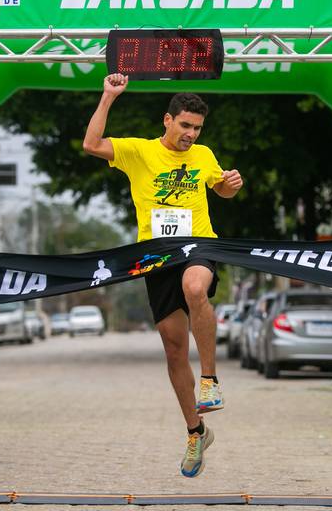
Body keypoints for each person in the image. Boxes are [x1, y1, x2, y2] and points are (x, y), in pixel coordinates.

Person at [83, 74, 243, 478]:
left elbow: (222, 191)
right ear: (167, 120)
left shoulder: (203, 155)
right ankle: (195, 431)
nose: (191, 134)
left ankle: (210, 380)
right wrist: (108, 96)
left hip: (198, 246)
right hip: (155, 257)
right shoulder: (139, 151)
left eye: (197, 128)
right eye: (185, 125)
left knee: (195, 288)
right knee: (173, 349)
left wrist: (230, 185)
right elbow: (91, 144)